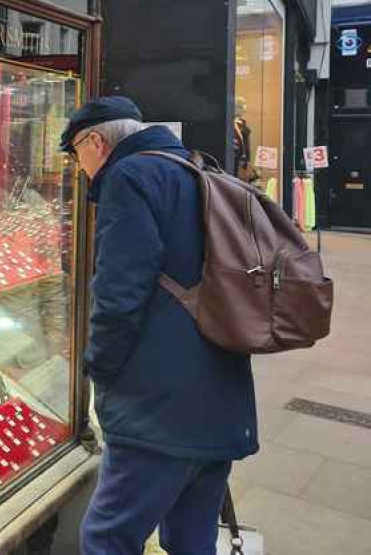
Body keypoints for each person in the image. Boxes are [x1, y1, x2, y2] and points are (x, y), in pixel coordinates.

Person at [60, 96, 258, 555]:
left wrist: (100, 370)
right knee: (191, 538)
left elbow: (119, 294)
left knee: (108, 537)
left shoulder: (129, 178)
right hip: (220, 395)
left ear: (95, 141)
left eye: (76, 155)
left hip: (158, 406)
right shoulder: (195, 166)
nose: (79, 167)